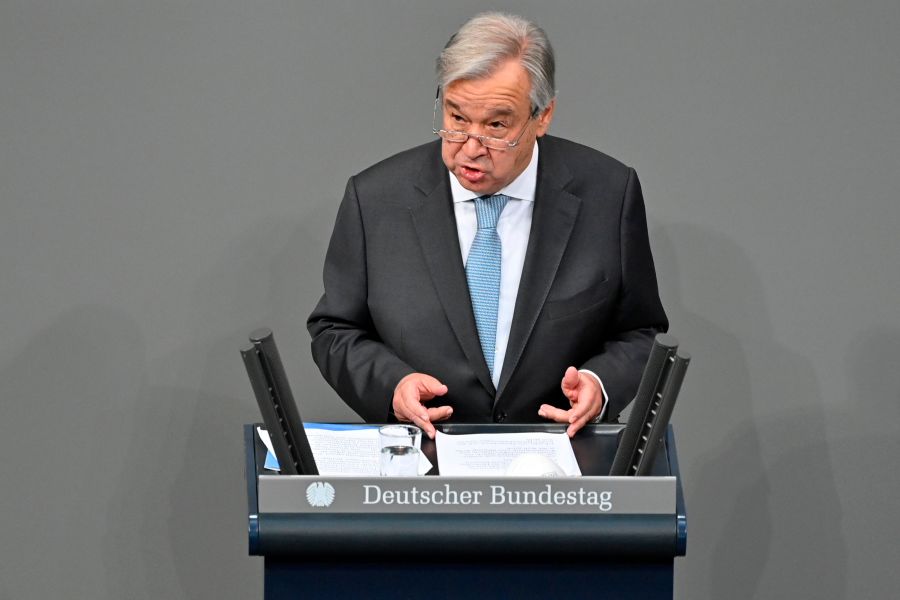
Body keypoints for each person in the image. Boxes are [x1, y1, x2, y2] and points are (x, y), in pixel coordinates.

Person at [308, 12, 667, 439]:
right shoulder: (375, 199)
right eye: (457, 119)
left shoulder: (609, 194)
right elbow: (335, 331)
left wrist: (600, 385)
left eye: (497, 126)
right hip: (425, 469)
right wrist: (393, 386)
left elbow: (641, 333)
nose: (471, 148)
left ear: (543, 116)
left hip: (557, 471)